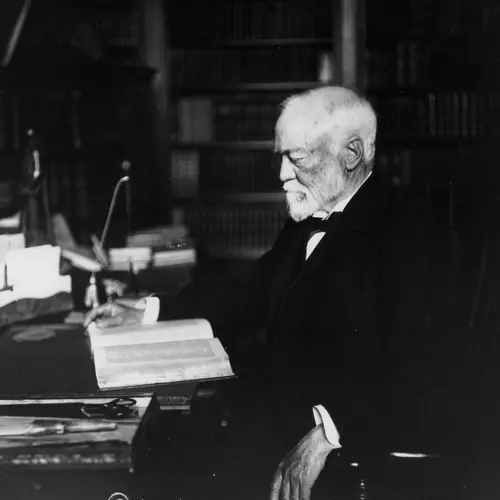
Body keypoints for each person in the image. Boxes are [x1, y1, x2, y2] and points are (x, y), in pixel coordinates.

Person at [85, 86, 451, 499]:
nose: (281, 174)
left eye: (296, 157)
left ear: (350, 155)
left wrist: (329, 433)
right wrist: (151, 310)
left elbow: (422, 368)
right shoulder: (313, 213)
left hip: (347, 447)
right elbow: (250, 289)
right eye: (280, 156)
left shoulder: (409, 231)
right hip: (271, 416)